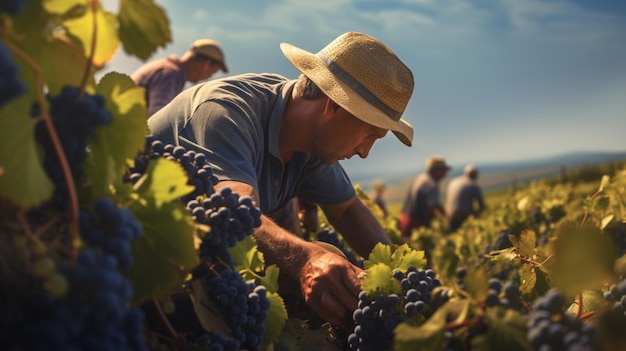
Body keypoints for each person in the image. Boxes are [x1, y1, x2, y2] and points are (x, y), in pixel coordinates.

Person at [147, 32, 415, 329]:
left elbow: (348, 210)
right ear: (335, 106)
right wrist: (305, 259)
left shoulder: (309, 137)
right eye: (370, 134)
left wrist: (401, 278)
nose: (365, 152)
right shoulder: (225, 113)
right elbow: (237, 216)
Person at [131, 38, 228, 116]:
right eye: (212, 72)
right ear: (206, 65)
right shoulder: (170, 74)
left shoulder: (167, 68)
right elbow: (157, 116)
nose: (208, 77)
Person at [398, 156, 450, 239]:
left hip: (404, 217)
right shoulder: (431, 184)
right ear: (437, 170)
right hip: (416, 222)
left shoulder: (421, 177)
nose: (444, 174)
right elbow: (432, 207)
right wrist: (445, 217)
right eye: (443, 171)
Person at [445, 164, 485, 232]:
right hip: (463, 217)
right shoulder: (473, 185)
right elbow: (481, 205)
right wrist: (477, 217)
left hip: (449, 216)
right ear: (475, 175)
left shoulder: (453, 181)